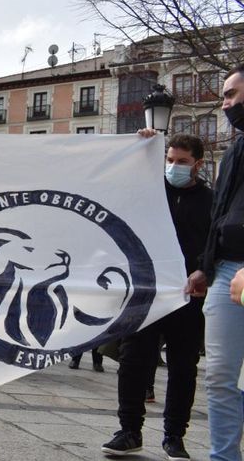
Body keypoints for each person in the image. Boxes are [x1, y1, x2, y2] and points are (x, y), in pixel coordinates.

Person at [101, 133, 212, 460]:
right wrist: (142, 145)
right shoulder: (150, 192)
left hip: (188, 296)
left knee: (183, 366)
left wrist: (203, 269)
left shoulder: (210, 200)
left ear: (198, 164)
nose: (173, 166)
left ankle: (175, 436)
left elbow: (215, 243)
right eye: (169, 160)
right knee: (133, 360)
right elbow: (120, 185)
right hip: (147, 292)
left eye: (182, 162)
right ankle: (129, 431)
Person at [192, 63, 244, 461]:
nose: (224, 103)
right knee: (220, 376)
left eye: (230, 94)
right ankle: (223, 457)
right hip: (226, 272)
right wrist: (204, 267)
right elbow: (220, 215)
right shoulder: (233, 152)